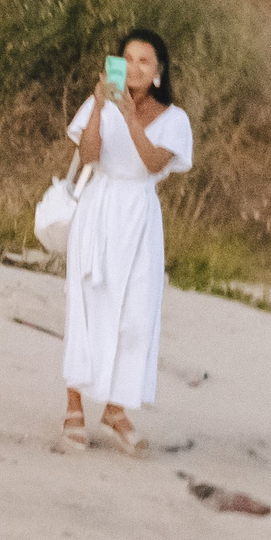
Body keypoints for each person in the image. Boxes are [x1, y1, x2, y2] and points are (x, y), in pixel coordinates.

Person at [59, 28, 194, 455]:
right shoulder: (98, 103)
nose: (133, 68)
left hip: (139, 215)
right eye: (127, 58)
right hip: (98, 205)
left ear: (158, 73)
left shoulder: (175, 119)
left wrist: (131, 116)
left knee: (136, 315)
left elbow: (154, 161)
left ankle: (115, 408)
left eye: (144, 61)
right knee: (87, 303)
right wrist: (100, 107)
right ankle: (74, 406)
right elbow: (89, 155)